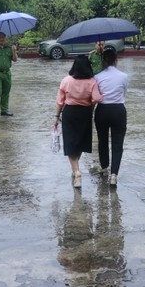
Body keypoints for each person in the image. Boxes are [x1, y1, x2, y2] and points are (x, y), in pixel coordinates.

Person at [54, 56, 103, 188]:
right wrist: (90, 103)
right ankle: (75, 169)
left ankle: (76, 171)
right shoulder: (92, 81)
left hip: (70, 113)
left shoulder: (66, 80)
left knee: (70, 143)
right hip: (85, 113)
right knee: (81, 141)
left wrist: (56, 116)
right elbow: (97, 98)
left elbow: (60, 101)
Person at [93, 49, 128, 186]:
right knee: (118, 143)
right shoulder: (124, 76)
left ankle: (104, 167)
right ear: (116, 60)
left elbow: (96, 95)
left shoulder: (97, 77)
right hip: (118, 110)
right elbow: (124, 93)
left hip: (102, 110)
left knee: (102, 140)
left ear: (103, 61)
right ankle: (114, 175)